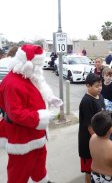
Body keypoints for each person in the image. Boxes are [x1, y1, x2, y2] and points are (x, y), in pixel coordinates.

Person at [0, 44, 63, 183]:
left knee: (39, 168)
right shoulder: (12, 83)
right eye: (37, 66)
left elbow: (39, 88)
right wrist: (42, 117)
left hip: (37, 136)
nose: (39, 69)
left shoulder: (28, 75)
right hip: (22, 139)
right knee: (19, 173)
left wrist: (50, 98)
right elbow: (16, 113)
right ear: (27, 64)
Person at [78, 73, 105, 183]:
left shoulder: (100, 96)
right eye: (96, 86)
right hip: (89, 142)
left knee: (97, 168)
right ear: (88, 86)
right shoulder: (86, 101)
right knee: (89, 171)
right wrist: (99, 142)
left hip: (99, 137)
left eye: (100, 85)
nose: (99, 88)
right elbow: (89, 126)